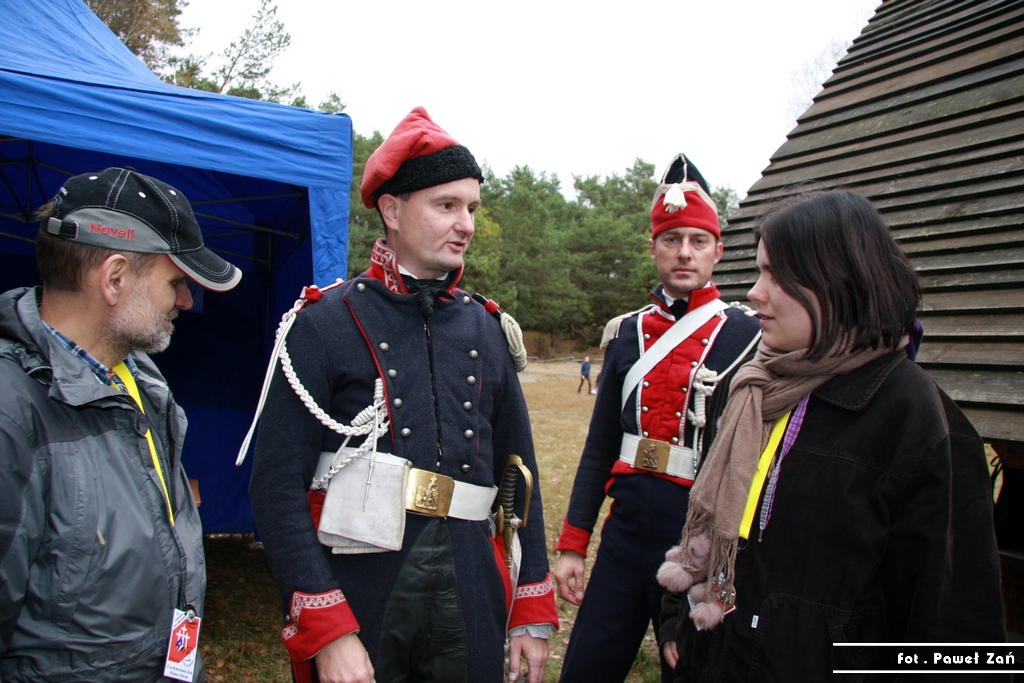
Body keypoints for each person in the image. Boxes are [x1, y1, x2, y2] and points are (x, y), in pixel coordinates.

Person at [248, 107, 558, 683]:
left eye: (472, 208)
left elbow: (520, 473)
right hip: (361, 587)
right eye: (447, 206)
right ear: (391, 210)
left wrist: (530, 605)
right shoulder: (323, 323)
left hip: (471, 582)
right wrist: (329, 629)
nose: (465, 224)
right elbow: (275, 487)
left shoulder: (487, 327)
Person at [658, 190, 1007, 681]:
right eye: (759, 272)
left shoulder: (918, 423)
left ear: (839, 279)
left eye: (776, 275)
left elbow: (956, 631)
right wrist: (677, 617)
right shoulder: (749, 389)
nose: (755, 292)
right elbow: (712, 522)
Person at [0, 167, 242, 682]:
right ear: (114, 279)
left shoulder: (140, 382)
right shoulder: (11, 412)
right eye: (175, 282)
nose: (185, 301)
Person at [554, 154, 761, 683]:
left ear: (718, 250)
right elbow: (602, 443)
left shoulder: (748, 334)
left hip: (694, 539)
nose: (684, 252)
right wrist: (574, 542)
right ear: (653, 248)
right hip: (625, 532)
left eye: (698, 241)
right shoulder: (627, 333)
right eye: (671, 240)